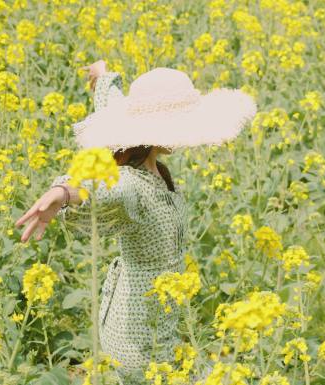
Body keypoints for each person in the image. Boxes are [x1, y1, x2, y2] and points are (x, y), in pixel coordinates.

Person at [14, 60, 257, 384]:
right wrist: (66, 192)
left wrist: (102, 78)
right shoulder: (132, 183)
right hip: (139, 323)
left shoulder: (151, 164)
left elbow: (115, 106)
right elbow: (106, 188)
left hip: (161, 308)